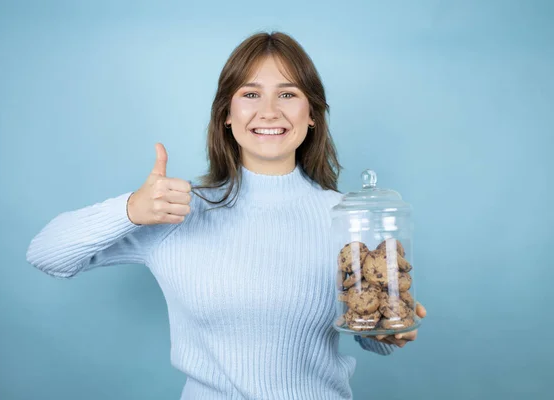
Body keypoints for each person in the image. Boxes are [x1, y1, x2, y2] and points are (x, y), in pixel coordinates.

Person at [26, 31, 426, 400]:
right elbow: (46, 253)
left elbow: (372, 334)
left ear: (312, 114)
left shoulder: (348, 219)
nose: (269, 112)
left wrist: (392, 331)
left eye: (287, 94)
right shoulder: (175, 210)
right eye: (250, 94)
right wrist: (130, 209)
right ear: (226, 115)